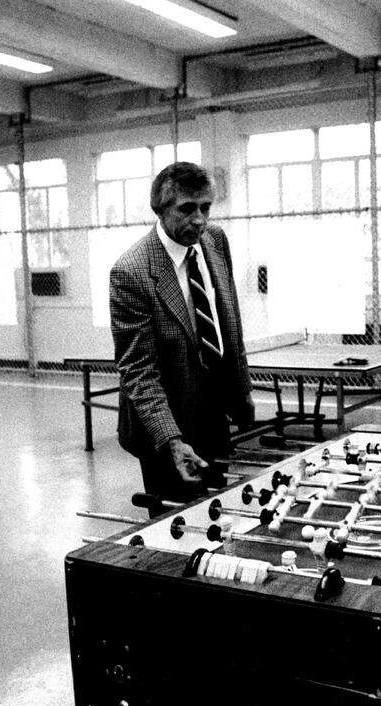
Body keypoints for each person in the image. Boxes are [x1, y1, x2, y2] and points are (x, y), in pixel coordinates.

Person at [110, 162, 255, 502]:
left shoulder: (215, 240)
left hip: (214, 412)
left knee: (219, 513)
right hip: (165, 424)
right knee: (176, 524)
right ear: (159, 209)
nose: (199, 220)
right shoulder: (131, 272)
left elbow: (230, 321)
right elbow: (139, 372)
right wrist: (172, 440)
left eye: (206, 207)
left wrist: (242, 391)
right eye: (187, 209)